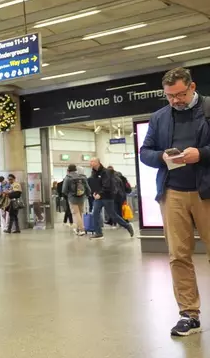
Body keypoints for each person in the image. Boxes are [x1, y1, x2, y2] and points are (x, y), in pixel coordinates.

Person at [139, 67, 210, 336]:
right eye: (170, 96)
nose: (175, 100)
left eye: (180, 94)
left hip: (207, 191)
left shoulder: (209, 108)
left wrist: (201, 154)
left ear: (192, 87)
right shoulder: (159, 118)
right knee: (178, 256)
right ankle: (189, 314)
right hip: (173, 193)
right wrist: (162, 159)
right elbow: (145, 152)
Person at [89, 158, 134, 240]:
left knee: (113, 215)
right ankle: (98, 233)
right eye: (90, 161)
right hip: (98, 197)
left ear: (98, 162)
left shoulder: (106, 172)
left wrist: (100, 193)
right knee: (95, 213)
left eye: (92, 161)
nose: (90, 163)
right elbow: (94, 184)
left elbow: (107, 185)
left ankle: (127, 226)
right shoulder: (93, 173)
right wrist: (94, 192)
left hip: (107, 197)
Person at [61, 164, 91, 236]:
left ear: (68, 170)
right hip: (82, 197)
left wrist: (68, 195)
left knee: (76, 214)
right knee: (80, 213)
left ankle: (81, 229)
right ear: (76, 169)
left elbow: (64, 190)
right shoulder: (82, 177)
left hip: (72, 198)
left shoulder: (68, 178)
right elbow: (88, 188)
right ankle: (78, 229)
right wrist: (87, 195)